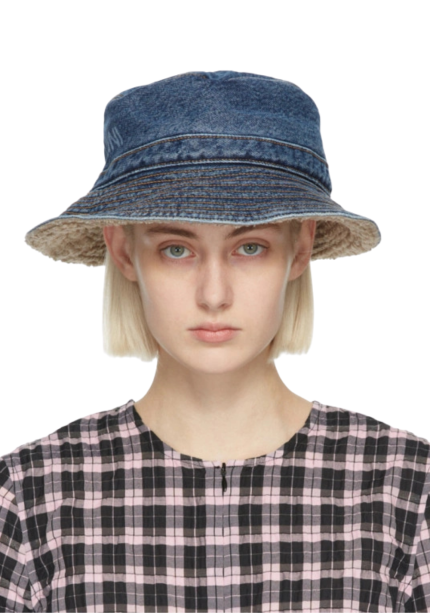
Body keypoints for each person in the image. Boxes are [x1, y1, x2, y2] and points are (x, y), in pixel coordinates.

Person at [1, 71, 429, 612]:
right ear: (124, 251)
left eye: (250, 247)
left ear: (300, 248)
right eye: (176, 249)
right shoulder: (33, 498)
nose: (214, 294)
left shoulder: (404, 492)